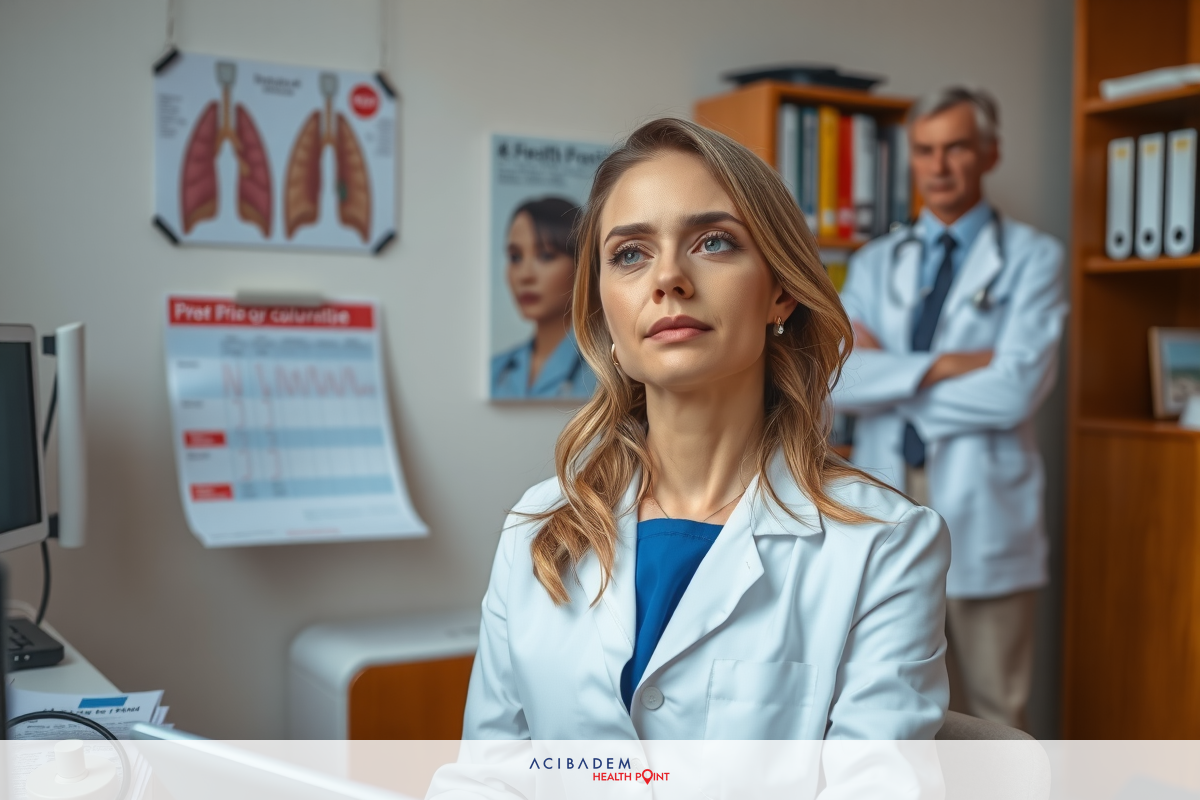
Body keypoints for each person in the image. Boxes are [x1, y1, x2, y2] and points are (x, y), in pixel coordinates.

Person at [439, 116, 950, 762]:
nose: (669, 279)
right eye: (630, 254)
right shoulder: (536, 530)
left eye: (712, 243)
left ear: (781, 293)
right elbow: (491, 775)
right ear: (606, 314)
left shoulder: (885, 547)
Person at [832, 87, 1068, 731]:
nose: (938, 167)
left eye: (957, 148)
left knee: (996, 706)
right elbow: (836, 381)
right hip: (888, 491)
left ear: (989, 154)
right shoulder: (876, 262)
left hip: (985, 502)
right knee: (910, 711)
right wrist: (950, 364)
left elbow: (1014, 391)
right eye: (925, 150)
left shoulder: (1035, 259)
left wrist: (894, 375)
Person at [491, 197, 596, 400]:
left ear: (581, 265)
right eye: (515, 257)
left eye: (546, 255)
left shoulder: (607, 373)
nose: (525, 275)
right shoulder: (494, 369)